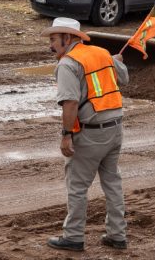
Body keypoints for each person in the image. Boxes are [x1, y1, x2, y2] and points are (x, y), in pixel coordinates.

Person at [43, 17, 129, 252]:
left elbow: (70, 104)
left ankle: (73, 237)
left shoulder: (68, 64)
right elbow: (124, 78)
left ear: (68, 38)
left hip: (91, 135)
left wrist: (66, 134)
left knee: (77, 186)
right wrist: (115, 62)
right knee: (112, 181)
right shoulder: (102, 53)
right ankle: (117, 234)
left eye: (53, 39)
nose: (50, 45)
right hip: (115, 128)